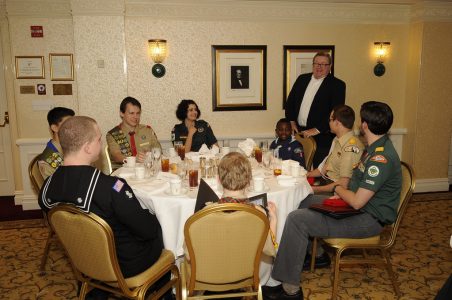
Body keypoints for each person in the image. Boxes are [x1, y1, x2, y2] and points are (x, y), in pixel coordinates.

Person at [265, 101, 402, 300]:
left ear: (364, 125)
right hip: (356, 207)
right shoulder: (373, 148)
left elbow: (356, 201)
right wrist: (342, 192)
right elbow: (355, 187)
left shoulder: (381, 158)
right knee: (302, 200)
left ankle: (289, 289)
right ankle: (309, 254)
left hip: (368, 219)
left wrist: (338, 188)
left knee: (297, 219)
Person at [39, 116, 167, 299]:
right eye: (98, 139)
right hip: (123, 265)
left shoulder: (47, 189)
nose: (101, 143)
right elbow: (147, 230)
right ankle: (163, 290)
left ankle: (95, 290)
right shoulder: (112, 187)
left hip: (83, 260)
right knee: (159, 228)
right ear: (88, 147)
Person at [285, 52, 346, 168]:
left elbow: (335, 113)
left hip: (322, 137)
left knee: (320, 172)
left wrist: (317, 129)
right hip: (299, 134)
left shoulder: (337, 85)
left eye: (323, 64)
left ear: (330, 66)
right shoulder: (302, 79)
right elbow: (290, 103)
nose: (319, 67)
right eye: (317, 63)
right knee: (296, 169)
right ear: (313, 65)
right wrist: (291, 121)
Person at [217, 152, 278, 256]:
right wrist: (273, 219)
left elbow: (189, 255)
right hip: (246, 271)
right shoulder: (258, 213)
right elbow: (270, 250)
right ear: (249, 181)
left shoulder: (203, 214)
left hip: (212, 271)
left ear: (218, 180)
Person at [307, 105, 364, 193]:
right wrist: (305, 175)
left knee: (299, 201)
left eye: (330, 120)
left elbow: (343, 184)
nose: (329, 123)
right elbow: (325, 168)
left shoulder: (351, 147)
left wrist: (314, 190)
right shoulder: (337, 139)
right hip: (327, 183)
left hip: (336, 192)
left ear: (337, 122)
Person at [106, 97, 161, 168]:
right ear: (122, 113)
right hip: (123, 173)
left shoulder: (147, 130)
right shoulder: (113, 134)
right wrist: (134, 159)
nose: (135, 117)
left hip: (147, 170)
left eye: (138, 113)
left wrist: (151, 155)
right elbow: (116, 156)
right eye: (131, 113)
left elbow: (158, 150)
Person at [38, 107, 75, 179]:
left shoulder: (69, 147)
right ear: (55, 128)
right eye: (68, 124)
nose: (73, 128)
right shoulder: (48, 161)